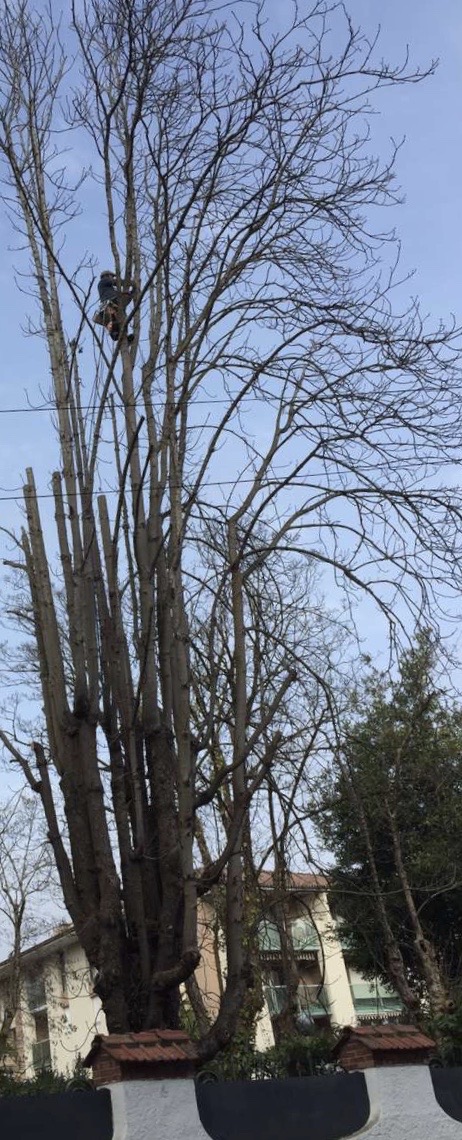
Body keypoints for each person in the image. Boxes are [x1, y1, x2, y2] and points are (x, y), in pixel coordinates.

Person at [94, 271, 134, 343]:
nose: (112, 278)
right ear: (106, 276)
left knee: (119, 320)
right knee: (116, 318)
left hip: (108, 307)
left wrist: (127, 293)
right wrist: (130, 283)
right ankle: (116, 334)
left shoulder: (108, 289)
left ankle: (119, 336)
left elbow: (116, 293)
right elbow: (116, 282)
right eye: (112, 276)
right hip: (110, 303)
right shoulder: (103, 281)